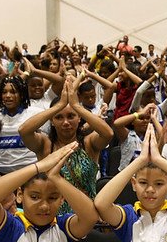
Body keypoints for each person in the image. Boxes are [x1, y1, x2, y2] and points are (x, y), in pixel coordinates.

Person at [18, 75, 113, 215]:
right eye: (59, 117)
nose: (66, 122)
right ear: (52, 120)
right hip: (52, 217)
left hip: (87, 216)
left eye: (71, 116)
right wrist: (60, 105)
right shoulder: (45, 144)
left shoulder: (88, 143)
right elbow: (23, 131)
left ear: (79, 118)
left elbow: (108, 134)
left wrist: (76, 106)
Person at [0, 75, 38, 174]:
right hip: (2, 171)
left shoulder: (35, 113)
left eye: (13, 92)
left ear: (22, 94)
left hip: (29, 170)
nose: (8, 95)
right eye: (4, 92)